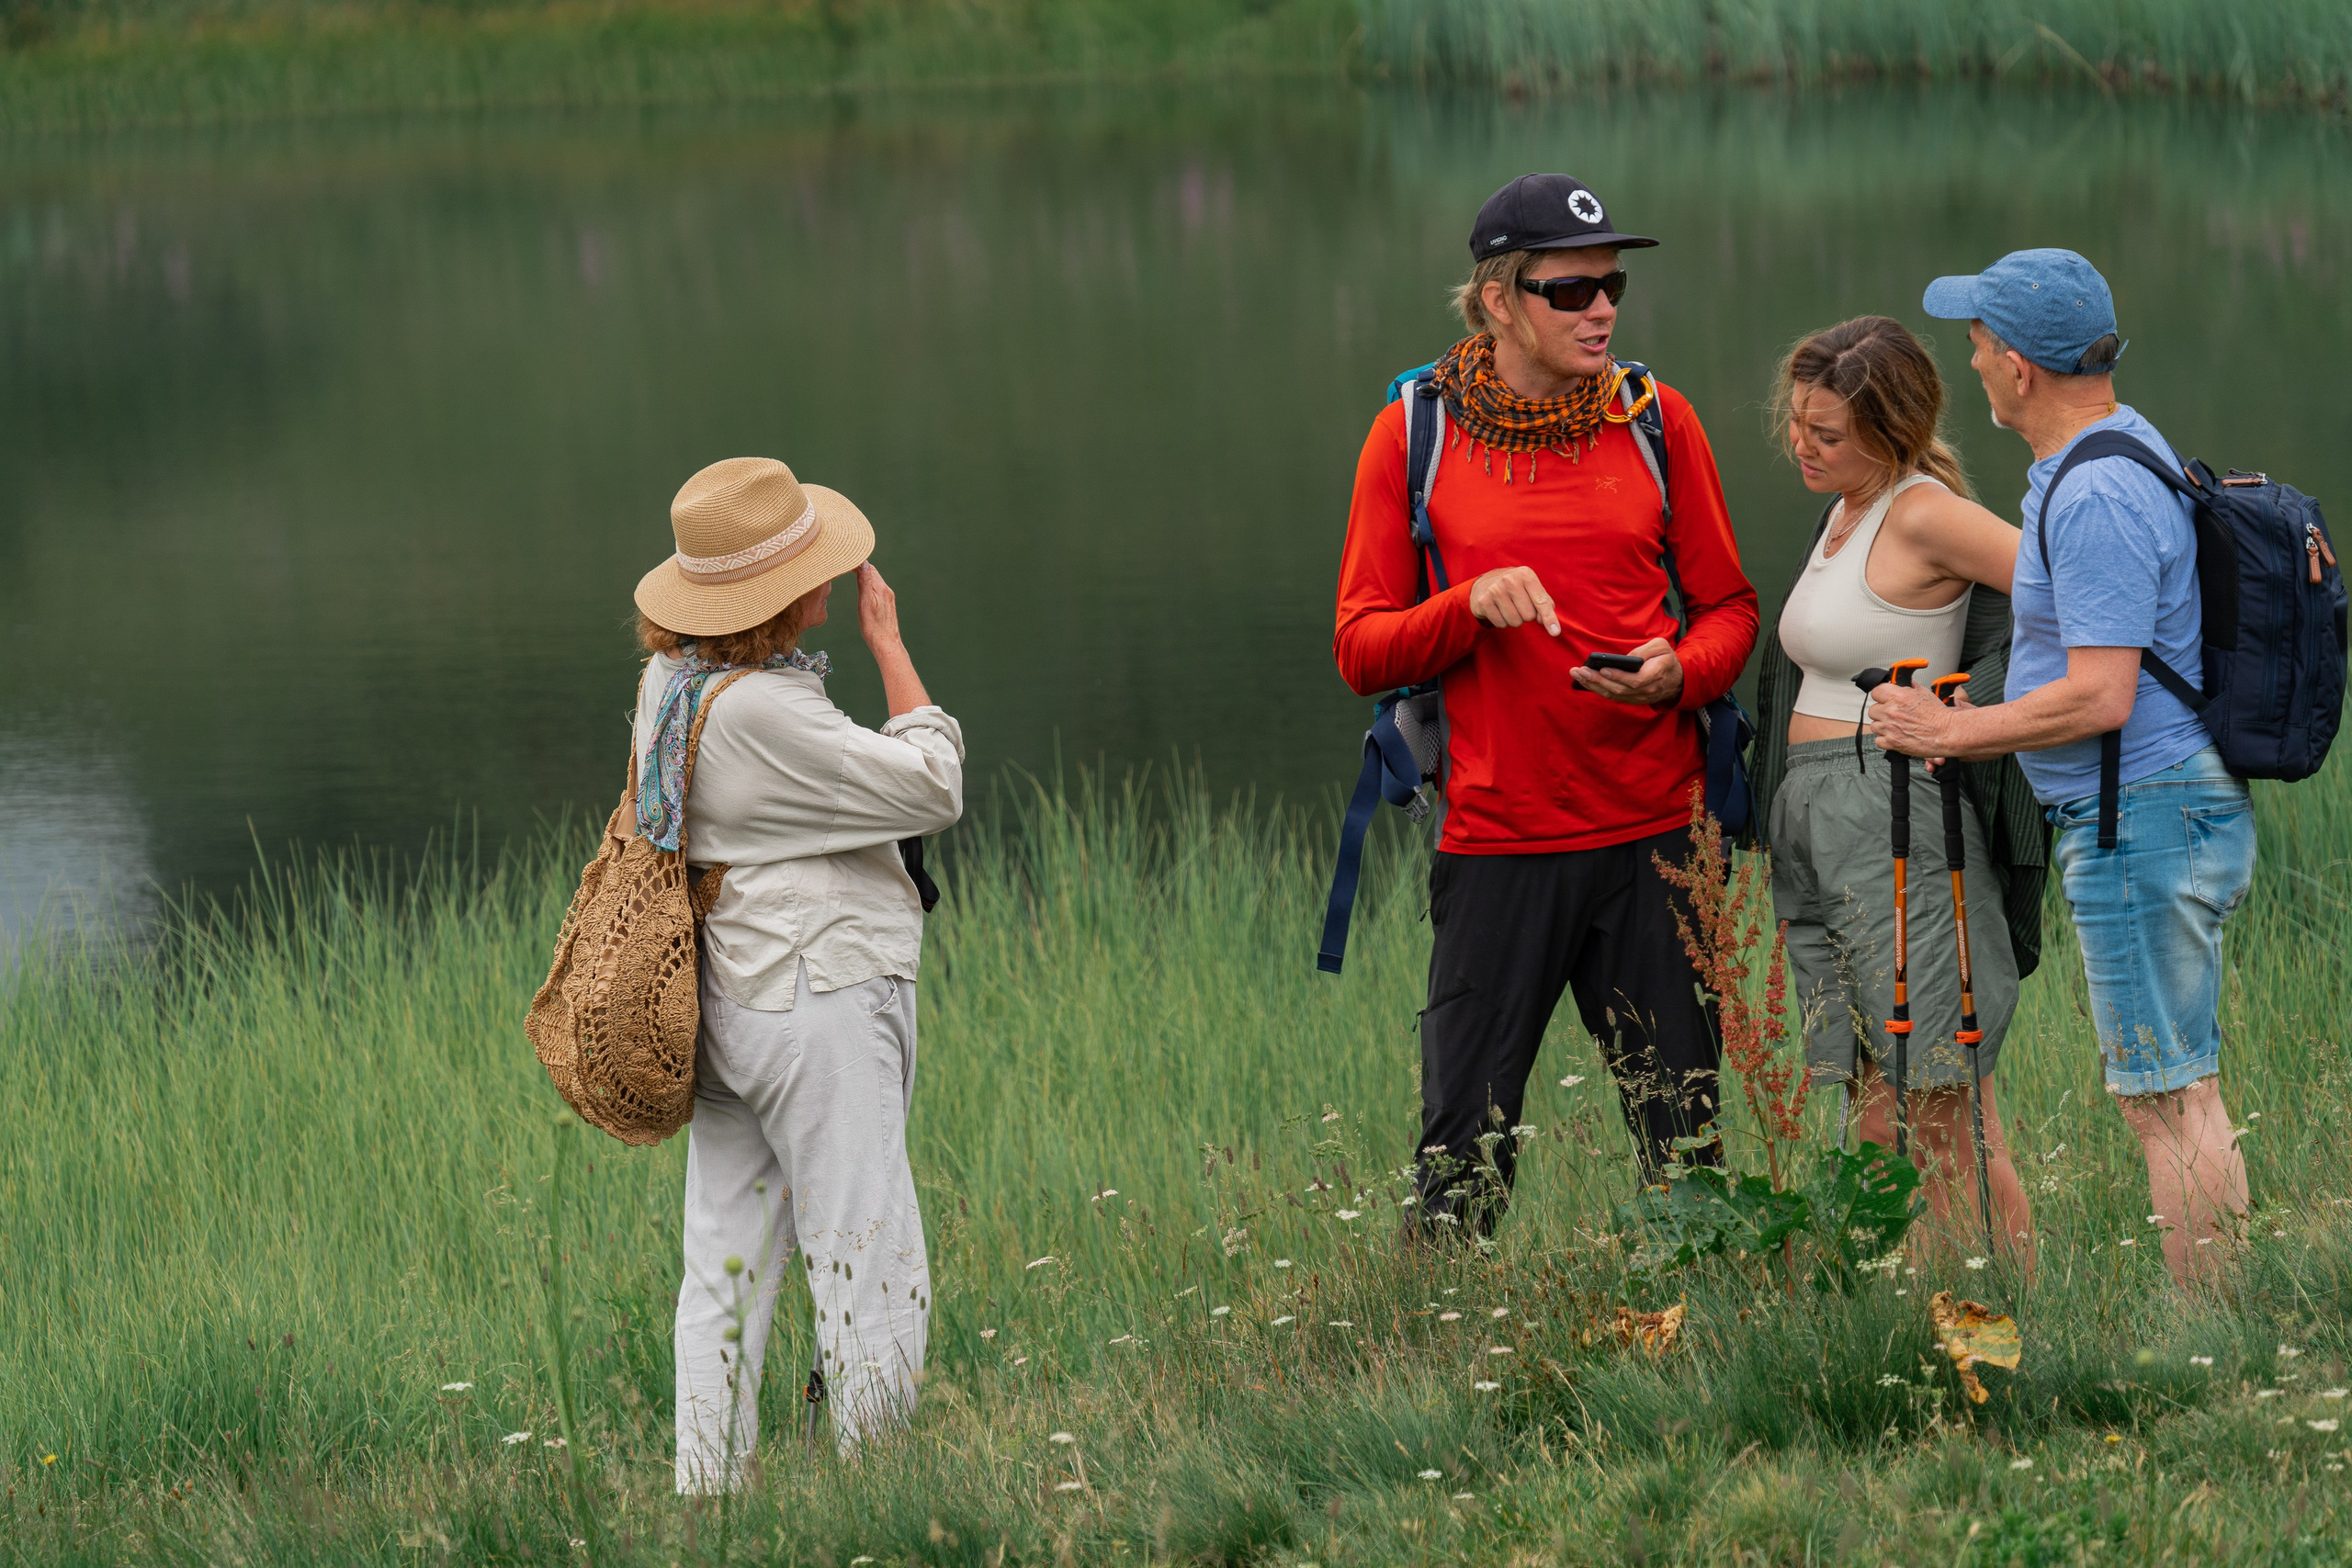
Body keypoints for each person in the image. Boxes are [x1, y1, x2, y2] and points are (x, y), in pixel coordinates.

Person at [1332, 174, 1759, 1227]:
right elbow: (1360, 649)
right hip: (1496, 846)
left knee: (1685, 1141)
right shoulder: (1412, 435)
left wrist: (1682, 671)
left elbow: (1730, 610)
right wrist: (1467, 605)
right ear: (1495, 299)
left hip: (1655, 836)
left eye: (1610, 286)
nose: (1601, 309)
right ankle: (1441, 1362)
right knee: (1462, 1151)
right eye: (1569, 292)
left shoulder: (1656, 421)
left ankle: (1706, 1347)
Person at [1873, 250, 2256, 1288]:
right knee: (2180, 1087)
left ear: (2020, 368)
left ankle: (2210, 1328)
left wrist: (1949, 734)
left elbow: (2101, 696)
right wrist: (1989, 706)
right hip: (2162, 807)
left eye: (1980, 344)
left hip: (2140, 816)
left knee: (2164, 1098)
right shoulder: (2117, 450)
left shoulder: (2091, 495)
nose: (1973, 362)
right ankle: (2221, 1314)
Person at [631, 457, 964, 1487]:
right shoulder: (768, 715)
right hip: (817, 999)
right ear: (776, 596)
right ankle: (878, 1489)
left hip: (728, 1001)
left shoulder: (670, 686)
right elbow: (932, 783)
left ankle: (708, 1493)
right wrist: (890, 647)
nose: (833, 572)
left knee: (723, 1265)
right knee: (865, 1245)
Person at [1750, 316, 2041, 1261]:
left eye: (1825, 433)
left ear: (1892, 429)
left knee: (1942, 1097)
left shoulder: (1921, 510)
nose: (1801, 443)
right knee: (1875, 1104)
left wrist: (1967, 724)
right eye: (1796, 423)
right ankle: (1923, 1320)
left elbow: (2074, 593)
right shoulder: (1843, 510)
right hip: (1817, 817)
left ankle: (2005, 1320)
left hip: (1891, 813)